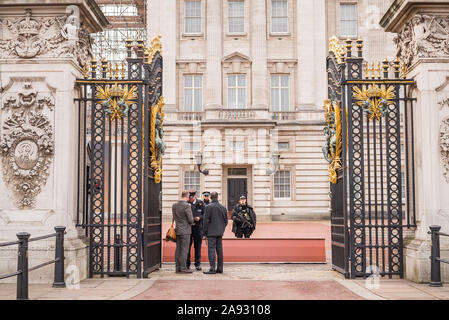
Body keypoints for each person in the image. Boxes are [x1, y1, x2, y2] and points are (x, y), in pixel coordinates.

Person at [202, 192, 228, 274]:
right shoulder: (223, 207)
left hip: (211, 232)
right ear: (217, 197)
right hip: (219, 232)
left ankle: (212, 268)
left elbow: (205, 221)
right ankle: (220, 268)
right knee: (219, 251)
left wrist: (204, 232)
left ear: (210, 197)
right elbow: (226, 221)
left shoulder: (208, 207)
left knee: (211, 250)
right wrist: (222, 229)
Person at [172, 190, 195, 273]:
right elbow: (190, 219)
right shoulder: (187, 206)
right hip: (185, 230)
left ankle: (177, 267)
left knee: (178, 249)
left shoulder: (174, 205)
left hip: (178, 229)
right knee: (184, 250)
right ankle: (183, 268)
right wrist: (193, 222)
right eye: (189, 196)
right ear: (187, 196)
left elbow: (174, 217)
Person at [186, 190, 205, 271]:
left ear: (195, 196)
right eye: (189, 198)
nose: (190, 199)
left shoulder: (201, 203)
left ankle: (197, 264)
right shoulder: (187, 203)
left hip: (198, 228)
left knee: (197, 247)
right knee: (188, 247)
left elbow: (205, 214)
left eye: (192, 198)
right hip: (189, 228)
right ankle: (187, 264)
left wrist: (199, 218)